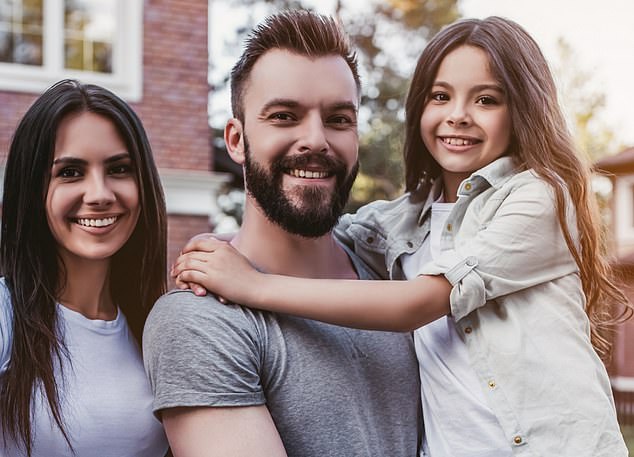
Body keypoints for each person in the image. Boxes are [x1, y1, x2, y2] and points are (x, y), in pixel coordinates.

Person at [173, 16, 632, 457]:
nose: (459, 116)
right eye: (440, 96)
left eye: (487, 100)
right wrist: (224, 249)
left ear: (523, 112)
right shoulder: (406, 220)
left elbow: (418, 303)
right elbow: (301, 226)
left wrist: (251, 284)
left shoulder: (537, 199)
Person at [143, 10, 421, 457]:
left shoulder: (392, 263)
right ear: (236, 139)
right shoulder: (201, 319)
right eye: (284, 116)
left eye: (338, 119)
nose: (315, 140)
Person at [0, 80, 169, 456]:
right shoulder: (6, 317)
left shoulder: (156, 329)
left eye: (120, 169)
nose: (100, 194)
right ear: (32, 189)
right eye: (70, 172)